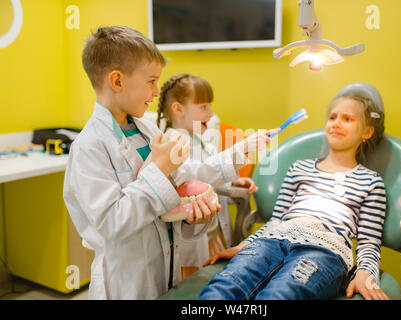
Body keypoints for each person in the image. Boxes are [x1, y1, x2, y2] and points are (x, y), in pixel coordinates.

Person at [63, 26, 278, 300]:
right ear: (117, 81)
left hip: (165, 271)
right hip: (125, 284)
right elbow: (113, 222)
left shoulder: (149, 132)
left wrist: (192, 215)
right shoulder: (89, 147)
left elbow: (183, 180)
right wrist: (158, 170)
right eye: (150, 81)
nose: (155, 92)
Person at [198, 88, 390, 300]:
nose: (336, 123)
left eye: (348, 119)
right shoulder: (299, 168)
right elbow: (276, 220)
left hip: (324, 250)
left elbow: (369, 242)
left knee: (282, 294)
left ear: (367, 132)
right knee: (224, 286)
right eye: (332, 117)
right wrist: (247, 244)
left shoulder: (371, 183)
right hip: (271, 241)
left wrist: (366, 272)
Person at [156, 73, 258, 279]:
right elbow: (197, 174)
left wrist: (232, 183)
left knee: (214, 280)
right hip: (191, 240)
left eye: (210, 106)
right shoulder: (172, 143)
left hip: (213, 235)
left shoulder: (203, 143)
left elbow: (212, 184)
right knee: (194, 286)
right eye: (203, 107)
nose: (211, 114)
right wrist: (240, 151)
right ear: (178, 109)